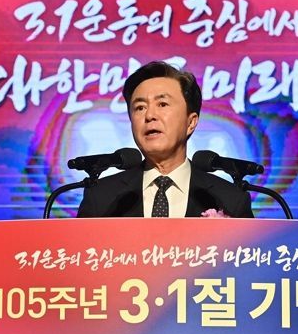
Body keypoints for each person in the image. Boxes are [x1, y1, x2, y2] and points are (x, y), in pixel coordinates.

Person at [77, 60, 254, 219]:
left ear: (191, 122)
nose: (149, 115)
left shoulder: (231, 199)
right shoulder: (101, 197)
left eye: (162, 104)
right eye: (140, 107)